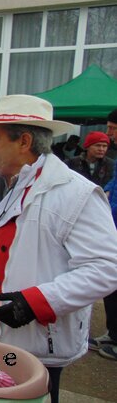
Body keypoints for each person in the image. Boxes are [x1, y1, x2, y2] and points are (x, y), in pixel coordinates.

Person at [0, 95, 117, 403]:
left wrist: (36, 302)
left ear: (24, 141)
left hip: (32, 342)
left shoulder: (75, 193)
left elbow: (107, 268)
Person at [89, 111, 117, 361]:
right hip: (111, 228)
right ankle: (114, 333)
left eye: (112, 129)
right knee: (112, 290)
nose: (109, 135)